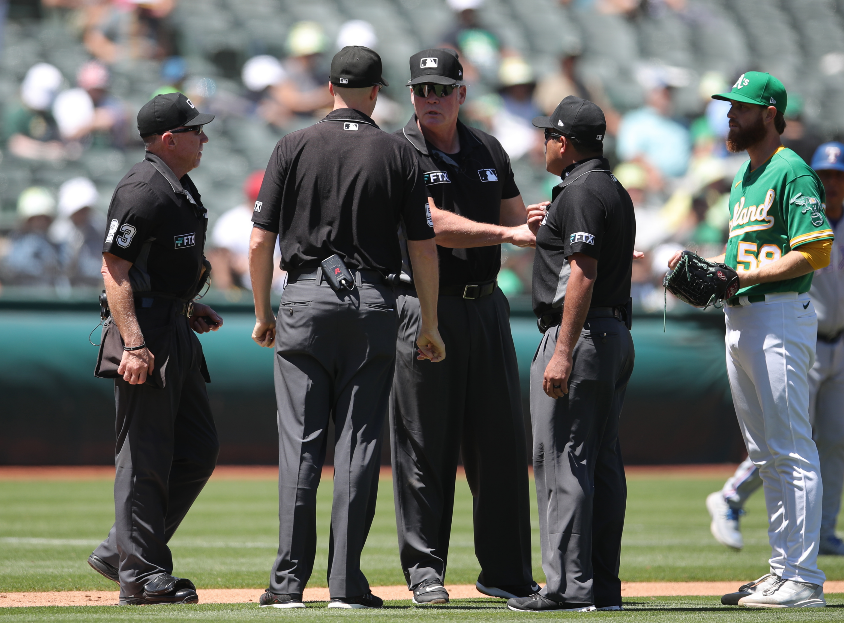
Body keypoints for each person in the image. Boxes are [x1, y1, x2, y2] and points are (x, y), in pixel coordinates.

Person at [248, 46, 446, 610]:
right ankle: (345, 585)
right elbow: (423, 248)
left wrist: (265, 314)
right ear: (377, 90)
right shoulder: (397, 152)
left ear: (330, 87)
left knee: (301, 447)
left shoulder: (293, 144)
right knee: (358, 448)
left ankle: (288, 584)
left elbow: (261, 240)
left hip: (305, 299)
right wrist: (429, 323)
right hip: (373, 303)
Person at [669, 72, 834, 608]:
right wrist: (719, 272)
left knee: (792, 450)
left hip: (780, 316)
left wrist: (744, 277)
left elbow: (816, 251)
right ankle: (782, 570)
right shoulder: (744, 176)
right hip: (741, 319)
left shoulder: (791, 170)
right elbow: (744, 261)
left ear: (769, 111)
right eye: (728, 106)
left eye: (740, 106)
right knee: (766, 455)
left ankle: (805, 579)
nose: (730, 115)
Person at [389, 48, 542, 606]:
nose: (429, 98)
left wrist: (551, 226)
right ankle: (425, 571)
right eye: (420, 89)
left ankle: (507, 573)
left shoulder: (487, 148)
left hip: (486, 306)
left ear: (461, 92)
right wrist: (509, 235)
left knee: (500, 445)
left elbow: (516, 217)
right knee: (425, 446)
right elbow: (430, 225)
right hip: (426, 306)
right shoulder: (399, 151)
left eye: (439, 88)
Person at [707, 141, 844, 560]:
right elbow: (751, 250)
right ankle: (733, 497)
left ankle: (821, 534)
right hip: (793, 331)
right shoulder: (793, 207)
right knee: (786, 439)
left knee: (833, 440)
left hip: (835, 342)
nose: (833, 182)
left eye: (841, 175)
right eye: (827, 174)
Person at [86, 92, 223, 606]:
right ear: (169, 139)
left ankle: (122, 548)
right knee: (144, 456)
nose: (203, 138)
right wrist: (135, 344)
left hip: (172, 323)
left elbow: (155, 266)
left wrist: (186, 307)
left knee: (197, 448)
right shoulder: (142, 187)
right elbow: (114, 268)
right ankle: (140, 576)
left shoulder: (177, 186)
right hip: (145, 333)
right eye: (195, 130)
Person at [508, 96, 635, 612]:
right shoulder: (611, 189)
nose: (543, 144)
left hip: (578, 338)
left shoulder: (581, 193)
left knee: (562, 462)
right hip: (611, 335)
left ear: (563, 142)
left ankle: (566, 588)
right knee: (599, 463)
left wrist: (561, 351)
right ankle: (601, 586)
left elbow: (581, 272)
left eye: (548, 136)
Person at [50, 176, 106, 287]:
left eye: (85, 210)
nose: (83, 214)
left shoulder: (100, 229)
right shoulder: (58, 234)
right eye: (79, 211)